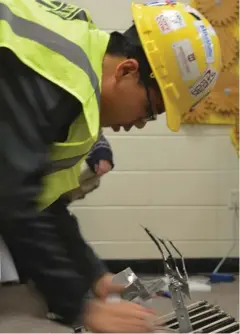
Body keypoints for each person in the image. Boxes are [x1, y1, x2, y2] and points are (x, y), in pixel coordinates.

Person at [0, 0, 221, 332]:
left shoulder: (79, 78)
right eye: (151, 108)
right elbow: (13, 199)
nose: (141, 123)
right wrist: (82, 308)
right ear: (127, 70)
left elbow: (43, 200)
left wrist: (94, 274)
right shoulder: (55, 75)